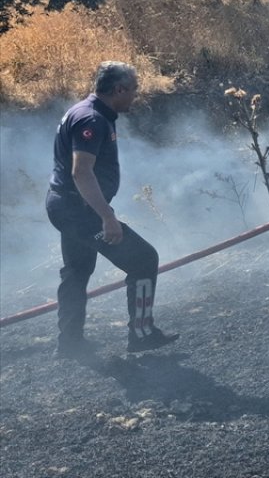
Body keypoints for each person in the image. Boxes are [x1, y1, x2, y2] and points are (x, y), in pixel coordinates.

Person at [47, 61, 179, 358]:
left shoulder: (85, 111)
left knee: (77, 270)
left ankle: (69, 343)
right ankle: (142, 334)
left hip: (65, 205)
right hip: (78, 209)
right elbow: (82, 172)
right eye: (134, 89)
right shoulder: (92, 120)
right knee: (144, 259)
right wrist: (107, 217)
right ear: (118, 89)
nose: (136, 95)